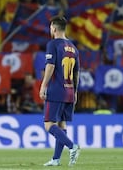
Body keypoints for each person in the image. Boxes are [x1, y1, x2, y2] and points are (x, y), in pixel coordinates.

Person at [39, 16, 81, 167]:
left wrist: (44, 86)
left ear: (54, 28)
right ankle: (56, 159)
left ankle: (72, 146)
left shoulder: (53, 44)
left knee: (49, 124)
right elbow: (76, 73)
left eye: (51, 28)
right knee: (62, 125)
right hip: (69, 91)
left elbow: (50, 66)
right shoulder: (73, 48)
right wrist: (75, 91)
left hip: (57, 90)